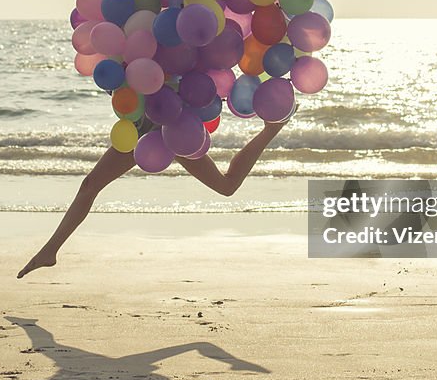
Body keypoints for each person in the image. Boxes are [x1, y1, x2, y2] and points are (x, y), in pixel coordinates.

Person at [17, 108, 294, 278]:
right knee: (90, 185)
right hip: (144, 126)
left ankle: (272, 128)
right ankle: (50, 251)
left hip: (179, 125)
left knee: (227, 186)